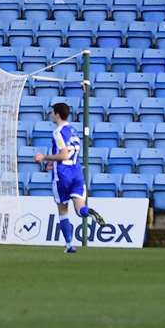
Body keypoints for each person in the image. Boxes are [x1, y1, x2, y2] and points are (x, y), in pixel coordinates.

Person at [34, 102, 104, 253]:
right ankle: (88, 211)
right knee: (80, 210)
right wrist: (54, 162)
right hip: (77, 173)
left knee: (63, 210)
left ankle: (69, 244)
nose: (51, 115)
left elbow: (64, 154)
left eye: (53, 112)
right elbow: (70, 155)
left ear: (58, 114)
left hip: (62, 176)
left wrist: (45, 157)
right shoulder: (73, 130)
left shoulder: (58, 132)